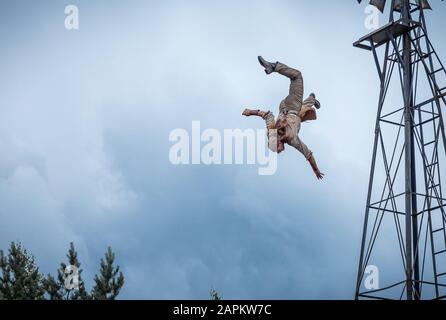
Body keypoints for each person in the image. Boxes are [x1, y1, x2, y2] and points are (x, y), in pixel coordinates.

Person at [243, 56, 324, 180]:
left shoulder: (291, 139)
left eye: (278, 150)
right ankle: (312, 99)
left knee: (297, 76)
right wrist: (250, 112)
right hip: (287, 108)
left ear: (277, 142)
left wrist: (316, 171)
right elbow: (267, 115)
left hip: (292, 107)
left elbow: (308, 154)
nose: (280, 152)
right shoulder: (273, 132)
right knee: (304, 109)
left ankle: (274, 67)